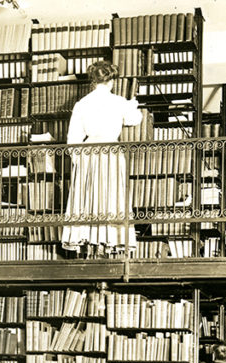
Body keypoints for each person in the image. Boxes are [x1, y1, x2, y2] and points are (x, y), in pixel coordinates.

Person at [63, 60, 143, 256]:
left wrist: (80, 163)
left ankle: (89, 241)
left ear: (93, 81)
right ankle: (109, 241)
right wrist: (134, 105)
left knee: (88, 198)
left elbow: (73, 139)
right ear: (112, 81)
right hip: (110, 152)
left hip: (88, 153)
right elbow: (134, 119)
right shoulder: (118, 101)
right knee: (111, 196)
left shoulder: (82, 104)